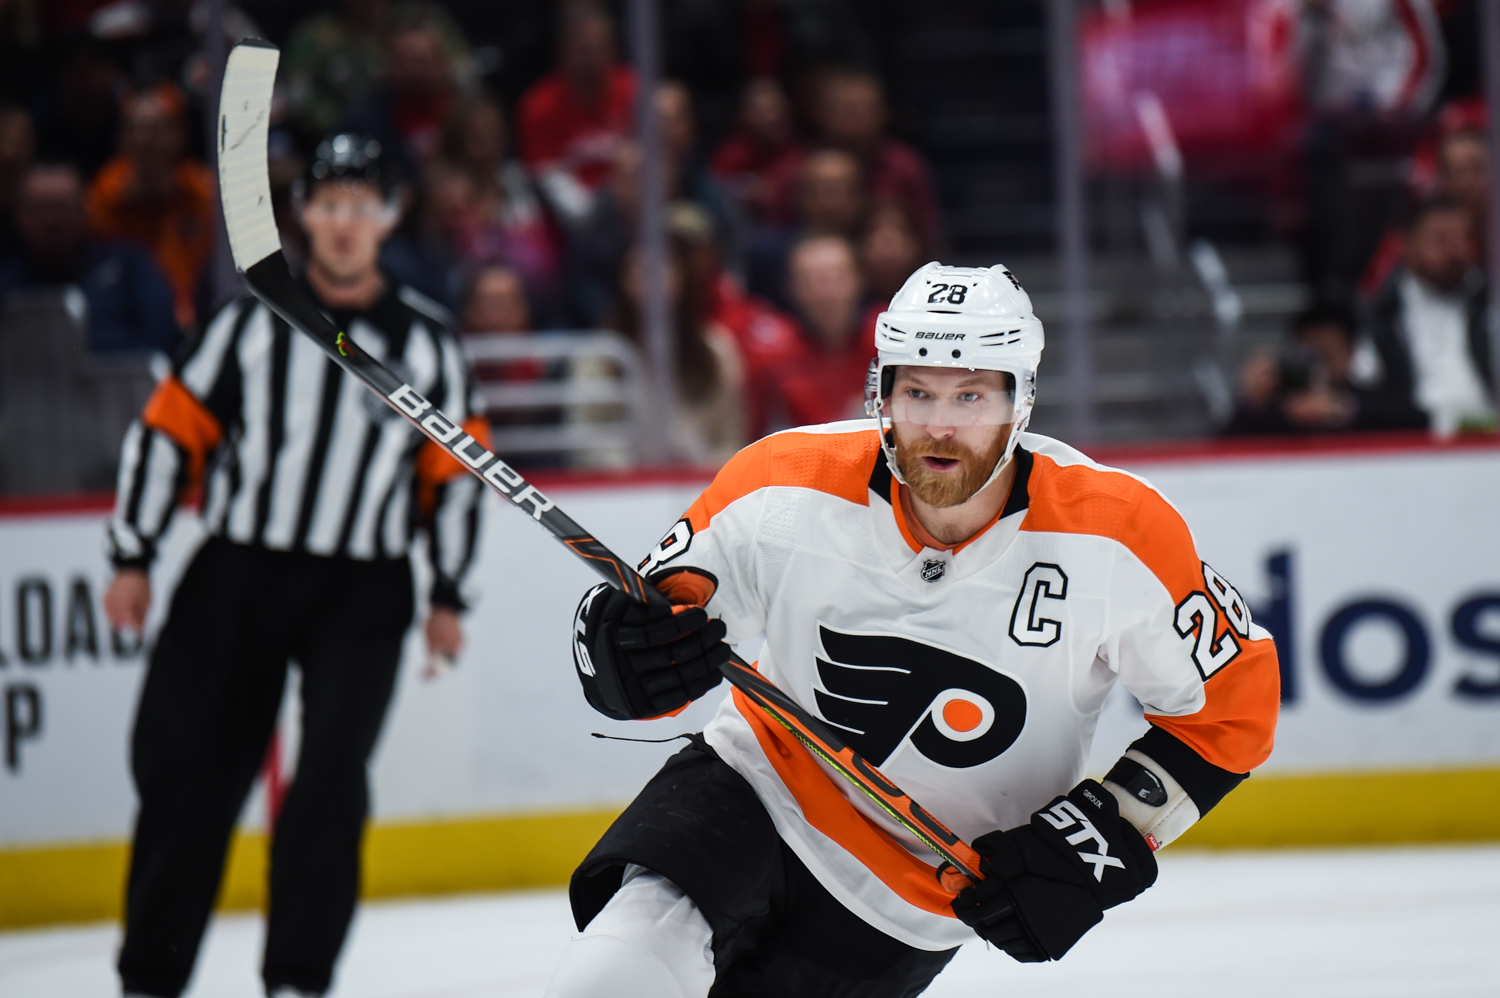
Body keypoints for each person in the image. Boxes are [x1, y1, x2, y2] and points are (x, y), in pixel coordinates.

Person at [549, 261, 1279, 995]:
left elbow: (1234, 705)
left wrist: (1101, 836)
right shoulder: (780, 482)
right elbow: (653, 629)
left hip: (913, 895)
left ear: (1019, 401)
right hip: (750, 788)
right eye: (918, 391)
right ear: (883, 393)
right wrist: (619, 654)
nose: (939, 424)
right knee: (609, 974)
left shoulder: (1118, 533)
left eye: (970, 396)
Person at [103, 133, 486, 998]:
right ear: (301, 215)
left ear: (389, 217)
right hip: (236, 573)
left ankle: (297, 980)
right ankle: (150, 980)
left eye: (363, 205)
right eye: (328, 204)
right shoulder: (247, 322)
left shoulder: (428, 345)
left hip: (365, 589)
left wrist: (449, 592)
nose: (345, 224)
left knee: (328, 789)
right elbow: (169, 433)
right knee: (190, 778)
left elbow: (454, 477)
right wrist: (133, 554)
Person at [0, 162, 177, 353]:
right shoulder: (6, 285)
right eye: (39, 209)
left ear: (83, 209)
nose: (50, 221)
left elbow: (160, 339)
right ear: (19, 216)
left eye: (60, 207)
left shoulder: (128, 267)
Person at [85, 82, 214, 331]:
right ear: (122, 138)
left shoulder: (204, 193)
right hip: (130, 328)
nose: (147, 140)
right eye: (137, 130)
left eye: (157, 129)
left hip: (199, 322)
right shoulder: (101, 199)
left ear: (178, 135)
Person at [1362, 197, 1496, 435]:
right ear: (1408, 245)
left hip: (1489, 436)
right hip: (1415, 442)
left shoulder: (1489, 300)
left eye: (1462, 239)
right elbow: (1365, 388)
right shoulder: (1384, 313)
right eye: (1441, 240)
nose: (1454, 250)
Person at [609, 234, 746, 465]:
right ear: (623, 281)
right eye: (640, 272)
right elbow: (590, 441)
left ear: (682, 277)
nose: (651, 282)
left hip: (701, 485)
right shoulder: (605, 354)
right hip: (625, 491)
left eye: (661, 270)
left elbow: (730, 436)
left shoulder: (716, 349)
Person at [437, 92, 561, 321]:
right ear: (458, 141)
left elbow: (541, 263)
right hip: (462, 301)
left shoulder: (516, 183)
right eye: (477, 137)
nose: (487, 146)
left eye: (494, 136)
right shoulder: (446, 191)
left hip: (522, 297)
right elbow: (445, 262)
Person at [1221, 302, 1426, 436]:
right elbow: (1220, 450)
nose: (1318, 367)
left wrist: (1344, 411)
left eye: (1326, 356)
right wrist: (1251, 403)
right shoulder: (1274, 409)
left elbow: (1417, 421)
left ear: (1350, 352)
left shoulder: (1368, 404)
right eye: (1308, 356)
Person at [517, 3, 636, 225]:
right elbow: (549, 178)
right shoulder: (538, 106)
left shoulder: (633, 89)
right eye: (584, 49)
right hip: (572, 223)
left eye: (599, 47)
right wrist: (597, 212)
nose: (592, 58)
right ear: (564, 49)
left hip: (632, 207)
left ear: (613, 47)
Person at [765, 233, 880, 428]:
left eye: (836, 278)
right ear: (791, 288)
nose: (826, 293)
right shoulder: (771, 357)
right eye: (811, 281)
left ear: (859, 279)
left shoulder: (890, 342)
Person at [747, 147, 866, 309]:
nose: (831, 203)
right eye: (819, 190)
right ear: (800, 197)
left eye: (842, 190)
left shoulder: (873, 251)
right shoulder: (768, 256)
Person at [711, 77, 802, 224]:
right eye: (762, 111)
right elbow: (716, 195)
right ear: (745, 115)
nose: (772, 117)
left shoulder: (797, 152)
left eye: (777, 108)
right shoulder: (730, 154)